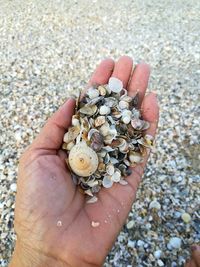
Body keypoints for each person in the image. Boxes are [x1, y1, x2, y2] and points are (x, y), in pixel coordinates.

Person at [9, 56, 199, 267]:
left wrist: (36, 253)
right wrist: (36, 250)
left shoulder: (100, 139)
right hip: (84, 159)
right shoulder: (86, 152)